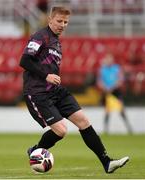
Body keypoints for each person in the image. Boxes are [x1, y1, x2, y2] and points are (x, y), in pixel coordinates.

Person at [20, 6, 129, 174]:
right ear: (50, 20)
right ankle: (35, 150)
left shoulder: (56, 41)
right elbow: (25, 60)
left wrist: (51, 79)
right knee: (61, 131)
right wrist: (46, 75)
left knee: (84, 122)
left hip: (56, 91)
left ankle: (107, 163)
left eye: (66, 22)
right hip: (38, 92)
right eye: (59, 21)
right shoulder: (40, 36)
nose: (62, 25)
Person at [97, 53, 133, 134]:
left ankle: (129, 127)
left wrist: (112, 87)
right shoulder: (102, 69)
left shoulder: (117, 68)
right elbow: (99, 81)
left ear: (112, 60)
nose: (109, 61)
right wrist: (104, 87)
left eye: (110, 59)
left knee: (121, 110)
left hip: (116, 92)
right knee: (107, 111)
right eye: (107, 59)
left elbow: (120, 80)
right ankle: (106, 129)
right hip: (107, 92)